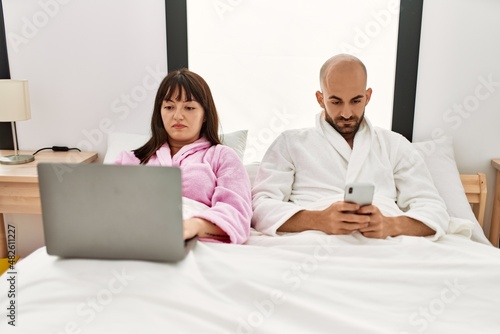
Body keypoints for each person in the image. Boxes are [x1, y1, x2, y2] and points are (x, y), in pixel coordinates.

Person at [252, 54, 450, 239]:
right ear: (320, 99)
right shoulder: (290, 143)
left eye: (356, 101)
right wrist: (318, 220)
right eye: (336, 102)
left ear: (368, 96)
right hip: (312, 240)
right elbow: (259, 207)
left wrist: (391, 225)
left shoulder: (394, 145)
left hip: (384, 244)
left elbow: (434, 209)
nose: (346, 113)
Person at [115, 68, 252, 244]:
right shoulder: (130, 160)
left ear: (204, 115)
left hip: (196, 242)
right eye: (169, 107)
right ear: (160, 112)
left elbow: (237, 213)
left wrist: (193, 226)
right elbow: (103, 206)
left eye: (189, 107)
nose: (178, 116)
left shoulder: (222, 157)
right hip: (133, 240)